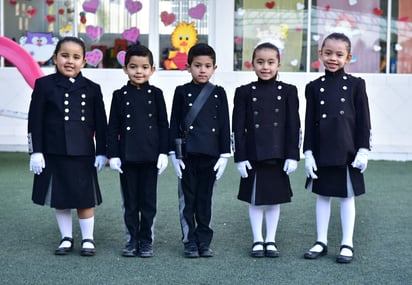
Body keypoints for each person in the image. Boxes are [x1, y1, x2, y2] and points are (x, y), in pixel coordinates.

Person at [28, 36, 107, 256]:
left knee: (85, 197)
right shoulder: (44, 85)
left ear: (84, 61)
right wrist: (36, 151)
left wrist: (102, 151)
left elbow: (101, 124)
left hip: (83, 153)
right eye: (64, 55)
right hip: (54, 151)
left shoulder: (92, 88)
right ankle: (66, 237)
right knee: (60, 198)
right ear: (55, 58)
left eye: (76, 57)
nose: (70, 61)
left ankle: (88, 239)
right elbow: (35, 120)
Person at [302, 33, 371, 264]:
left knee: (347, 197)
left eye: (339, 54)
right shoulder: (313, 87)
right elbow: (309, 121)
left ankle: (346, 243)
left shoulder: (356, 84)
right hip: (322, 151)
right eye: (328, 53)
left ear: (348, 57)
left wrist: (364, 149)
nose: (333, 58)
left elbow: (364, 120)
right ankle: (321, 241)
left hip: (348, 151)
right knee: (322, 196)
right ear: (320, 54)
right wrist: (308, 152)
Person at [232, 42, 301, 258]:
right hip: (253, 156)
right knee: (254, 199)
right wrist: (240, 157)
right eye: (260, 62)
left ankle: (270, 239)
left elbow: (294, 125)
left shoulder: (289, 91)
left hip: (278, 155)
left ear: (278, 64)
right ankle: (257, 239)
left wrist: (292, 155)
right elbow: (238, 127)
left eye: (271, 62)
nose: (265, 67)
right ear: (252, 64)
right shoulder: (244, 92)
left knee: (273, 199)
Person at [169, 43, 231, 258]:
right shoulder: (181, 92)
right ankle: (189, 241)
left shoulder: (219, 93)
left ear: (214, 68)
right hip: (187, 156)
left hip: (211, 156)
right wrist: (174, 155)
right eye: (197, 65)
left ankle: (204, 241)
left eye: (207, 66)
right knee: (188, 201)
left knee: (205, 201)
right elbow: (175, 123)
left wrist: (224, 154)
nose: (202, 70)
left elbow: (224, 124)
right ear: (188, 67)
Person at [107, 44, 169, 258]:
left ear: (152, 69)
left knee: (148, 202)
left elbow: (163, 124)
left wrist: (163, 152)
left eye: (144, 67)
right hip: (127, 158)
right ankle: (131, 240)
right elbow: (112, 126)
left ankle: (146, 241)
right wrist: (113, 155)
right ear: (125, 69)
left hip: (151, 158)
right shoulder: (119, 95)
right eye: (133, 67)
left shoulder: (157, 94)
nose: (139, 72)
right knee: (130, 203)